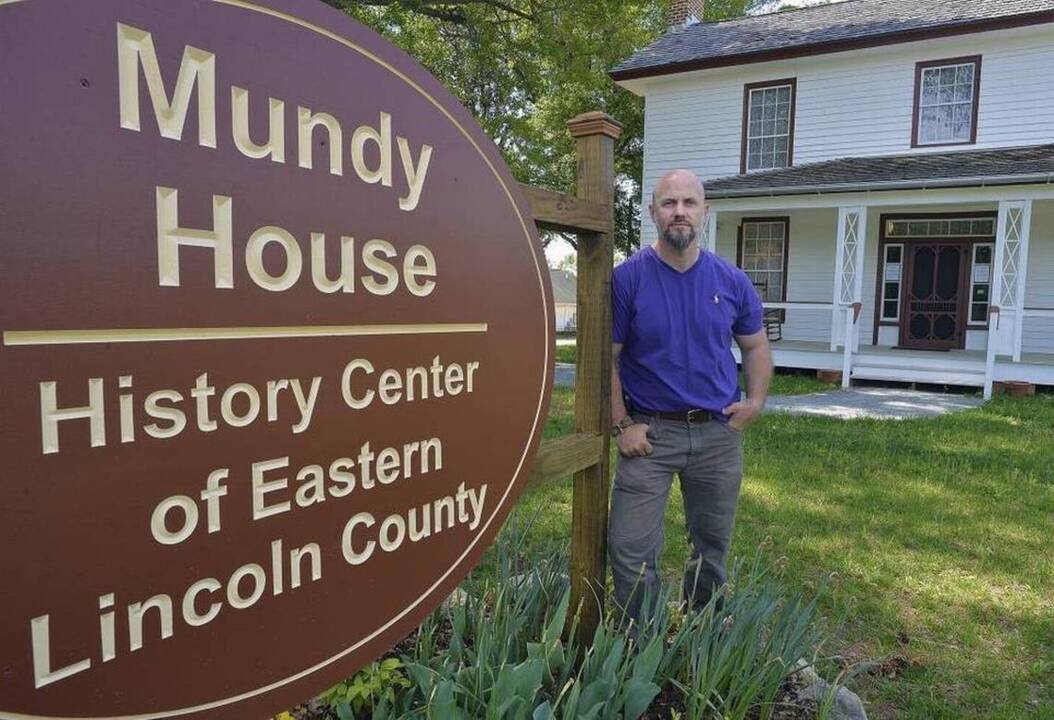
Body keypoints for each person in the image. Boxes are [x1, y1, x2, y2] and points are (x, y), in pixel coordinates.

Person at [609, 168, 773, 622]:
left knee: (712, 547)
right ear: (652, 213)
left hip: (717, 434)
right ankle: (634, 647)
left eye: (689, 203)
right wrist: (622, 423)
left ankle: (701, 635)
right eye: (668, 203)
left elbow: (756, 345)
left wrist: (756, 402)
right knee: (630, 549)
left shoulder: (731, 280)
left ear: (705, 211)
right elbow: (609, 358)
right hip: (650, 436)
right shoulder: (629, 280)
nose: (679, 212)